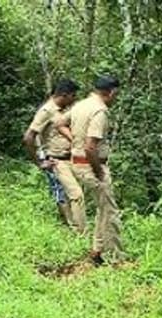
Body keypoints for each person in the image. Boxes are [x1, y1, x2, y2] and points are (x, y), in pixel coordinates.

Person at [66, 75, 122, 265]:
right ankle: (115, 257)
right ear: (111, 92)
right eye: (116, 94)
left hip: (77, 163)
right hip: (90, 165)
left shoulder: (80, 105)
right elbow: (91, 147)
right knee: (110, 211)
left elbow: (59, 124)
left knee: (102, 208)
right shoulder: (100, 111)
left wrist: (74, 141)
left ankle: (97, 251)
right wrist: (99, 171)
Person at [22, 79, 80, 227]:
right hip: (53, 159)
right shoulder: (47, 111)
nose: (75, 99)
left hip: (67, 158)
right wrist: (40, 162)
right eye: (73, 96)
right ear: (64, 95)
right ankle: (70, 227)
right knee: (61, 193)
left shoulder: (64, 110)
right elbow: (29, 137)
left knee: (71, 194)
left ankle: (74, 225)